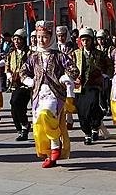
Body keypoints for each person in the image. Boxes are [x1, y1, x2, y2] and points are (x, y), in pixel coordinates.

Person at [20, 20, 78, 168]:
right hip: (38, 94)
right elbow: (23, 71)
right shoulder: (33, 56)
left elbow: (74, 70)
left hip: (55, 93)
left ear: (51, 37)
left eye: (45, 37)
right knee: (39, 123)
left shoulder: (59, 55)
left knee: (47, 115)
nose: (41, 40)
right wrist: (28, 80)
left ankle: (55, 144)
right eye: (39, 37)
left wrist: (65, 77)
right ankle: (49, 154)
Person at [71, 28, 110, 145]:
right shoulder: (75, 54)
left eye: (87, 40)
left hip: (94, 85)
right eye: (83, 40)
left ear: (91, 40)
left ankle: (94, 126)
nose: (85, 43)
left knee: (92, 105)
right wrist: (72, 76)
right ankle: (87, 133)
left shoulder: (99, 54)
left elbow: (109, 65)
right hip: (80, 86)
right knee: (81, 111)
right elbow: (69, 67)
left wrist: (104, 75)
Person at [5, 28, 31, 141]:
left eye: (18, 39)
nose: (16, 42)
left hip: (26, 84)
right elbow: (7, 66)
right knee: (14, 107)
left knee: (16, 102)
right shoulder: (11, 54)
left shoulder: (30, 53)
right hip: (15, 84)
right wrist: (9, 75)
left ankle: (25, 125)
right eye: (14, 39)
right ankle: (21, 129)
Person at [56, 26, 77, 129]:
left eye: (63, 35)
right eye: (59, 36)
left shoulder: (73, 47)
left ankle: (69, 116)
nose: (61, 38)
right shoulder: (54, 47)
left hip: (70, 75)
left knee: (69, 94)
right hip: (57, 75)